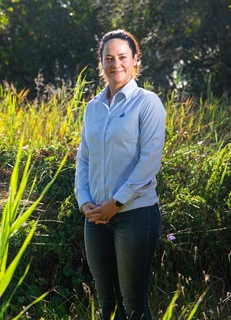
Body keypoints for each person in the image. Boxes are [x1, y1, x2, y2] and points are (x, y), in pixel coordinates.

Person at [75, 29, 165, 320]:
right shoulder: (93, 108)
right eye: (109, 58)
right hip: (97, 219)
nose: (116, 65)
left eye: (123, 57)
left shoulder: (147, 103)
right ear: (100, 63)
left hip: (135, 215)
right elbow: (84, 159)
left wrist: (116, 203)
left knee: (135, 303)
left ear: (135, 60)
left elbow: (149, 161)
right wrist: (84, 201)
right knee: (107, 306)